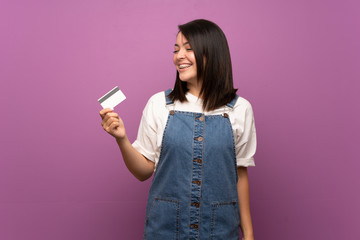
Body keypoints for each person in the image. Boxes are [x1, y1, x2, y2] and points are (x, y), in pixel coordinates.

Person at [99, 19, 256, 240]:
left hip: (220, 231)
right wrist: (122, 139)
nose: (179, 56)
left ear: (212, 53)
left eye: (188, 49)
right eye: (176, 49)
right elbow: (143, 172)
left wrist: (248, 234)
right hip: (165, 230)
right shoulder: (159, 104)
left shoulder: (240, 109)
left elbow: (239, 174)